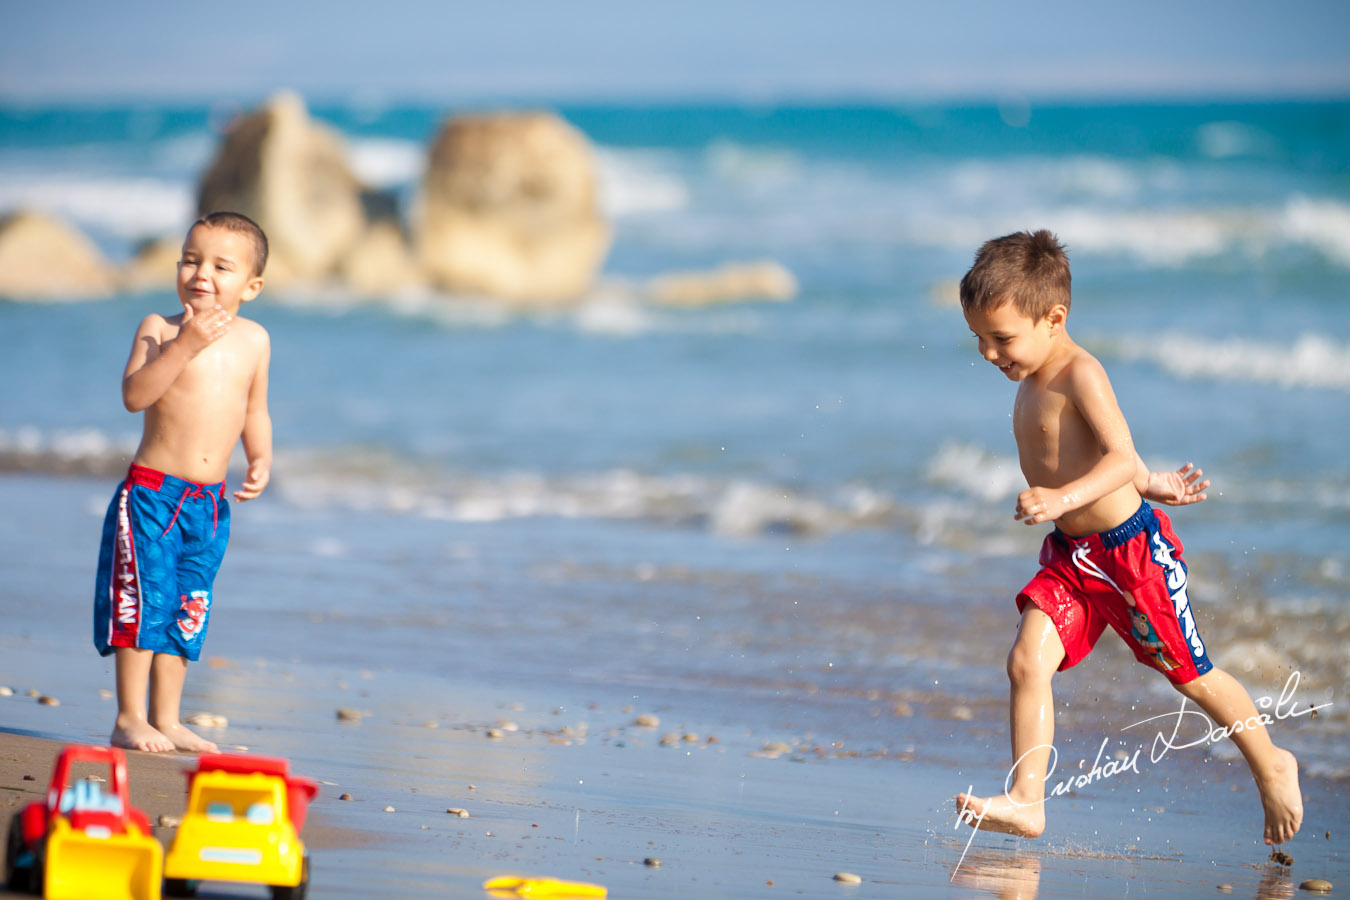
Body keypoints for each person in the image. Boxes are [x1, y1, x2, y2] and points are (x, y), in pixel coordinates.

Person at [953, 230, 1302, 846]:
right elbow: (1121, 463)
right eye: (978, 338)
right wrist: (1152, 482)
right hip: (1073, 560)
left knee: (1190, 675)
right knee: (1027, 661)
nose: (987, 353)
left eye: (1001, 338)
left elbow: (1118, 454)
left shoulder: (1080, 372)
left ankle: (1271, 762)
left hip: (1130, 554)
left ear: (1053, 318)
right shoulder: (1032, 378)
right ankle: (1027, 801)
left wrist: (1066, 497)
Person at [93, 211, 272, 753]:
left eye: (221, 266)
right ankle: (129, 716)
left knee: (186, 609)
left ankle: (167, 718)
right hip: (152, 494)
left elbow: (254, 408)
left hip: (210, 505)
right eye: (191, 260)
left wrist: (260, 455)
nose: (201, 274)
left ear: (252, 286)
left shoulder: (255, 340)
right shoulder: (160, 328)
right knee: (141, 604)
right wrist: (185, 346)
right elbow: (135, 396)